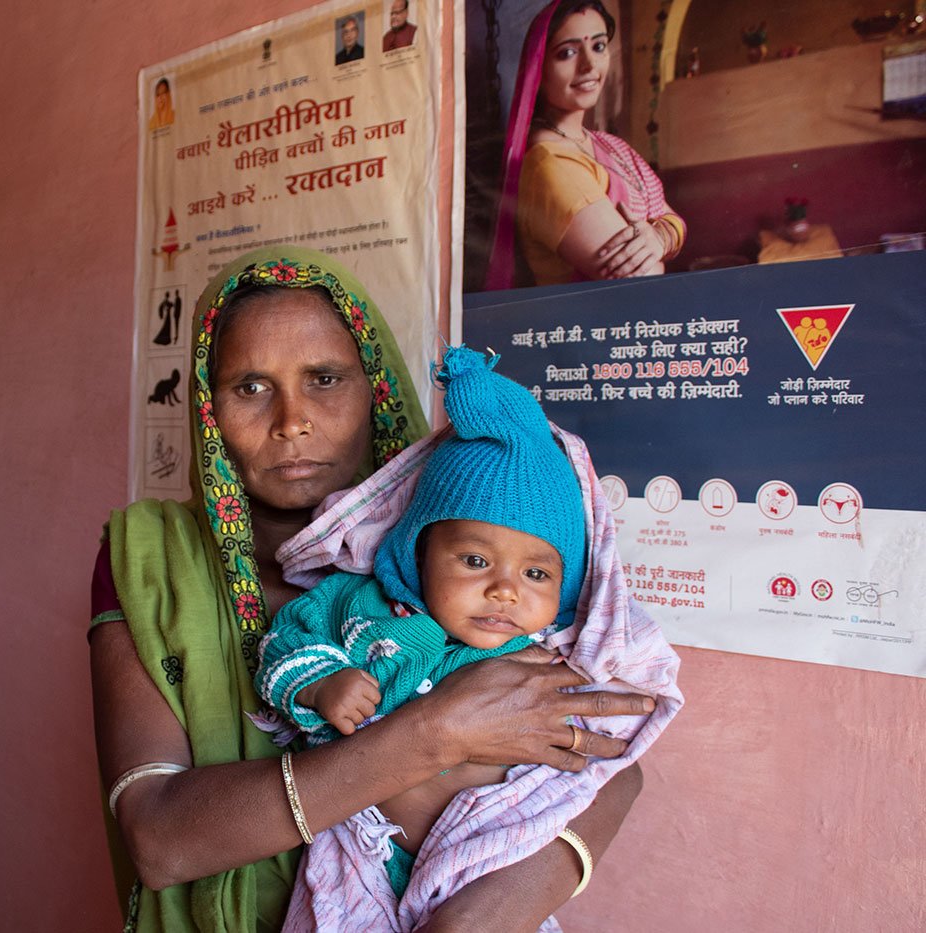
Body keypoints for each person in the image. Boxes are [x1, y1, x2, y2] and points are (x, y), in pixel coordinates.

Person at [90, 247, 656, 932]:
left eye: (324, 377)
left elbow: (610, 760)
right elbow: (160, 836)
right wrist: (433, 734)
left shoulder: (475, 542)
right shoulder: (148, 557)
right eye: (250, 386)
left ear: (375, 385)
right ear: (208, 408)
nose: (291, 418)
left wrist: (480, 913)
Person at [256, 346, 681, 927]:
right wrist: (321, 684)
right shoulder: (362, 610)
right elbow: (284, 643)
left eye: (536, 574)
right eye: (475, 560)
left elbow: (622, 718)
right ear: (419, 552)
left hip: (493, 873)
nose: (505, 590)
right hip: (363, 858)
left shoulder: (555, 655)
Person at [484, 0, 687, 291]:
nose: (589, 65)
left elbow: (675, 220)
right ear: (538, 69)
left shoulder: (608, 144)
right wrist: (662, 239)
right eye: (567, 53)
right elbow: (643, 277)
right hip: (587, 327)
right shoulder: (549, 163)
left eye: (599, 46)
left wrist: (659, 237)